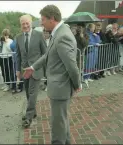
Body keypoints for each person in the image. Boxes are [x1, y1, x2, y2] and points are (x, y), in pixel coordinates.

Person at [23, 5, 81, 144]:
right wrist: (33, 67)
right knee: (62, 121)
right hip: (59, 87)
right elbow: (48, 55)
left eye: (43, 19)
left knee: (57, 124)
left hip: (60, 88)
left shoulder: (62, 36)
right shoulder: (59, 32)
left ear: (52, 19)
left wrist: (77, 83)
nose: (41, 23)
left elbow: (72, 66)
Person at [16, 14, 47, 128]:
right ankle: (32, 112)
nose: (25, 25)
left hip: (36, 70)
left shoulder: (39, 35)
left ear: (31, 23)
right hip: (25, 71)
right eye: (23, 23)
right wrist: (17, 70)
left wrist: (45, 69)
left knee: (33, 94)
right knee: (28, 93)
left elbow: (45, 53)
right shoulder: (18, 37)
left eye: (27, 23)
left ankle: (28, 117)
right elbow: (18, 56)